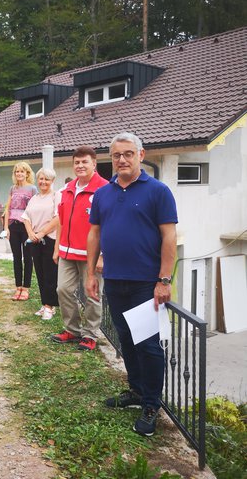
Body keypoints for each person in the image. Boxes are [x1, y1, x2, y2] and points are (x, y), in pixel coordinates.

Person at [86, 132, 177, 437]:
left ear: (141, 154)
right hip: (114, 280)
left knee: (148, 346)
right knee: (126, 339)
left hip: (145, 284)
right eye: (116, 155)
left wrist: (164, 280)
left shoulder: (158, 191)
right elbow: (95, 235)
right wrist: (90, 274)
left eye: (128, 154)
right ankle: (137, 392)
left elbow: (169, 237)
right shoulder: (103, 193)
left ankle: (151, 404)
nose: (122, 160)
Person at [51, 146, 108, 350]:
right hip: (67, 251)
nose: (80, 165)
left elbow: (108, 226)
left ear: (94, 163)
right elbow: (61, 222)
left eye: (85, 162)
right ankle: (72, 330)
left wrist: (102, 255)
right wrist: (57, 248)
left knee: (91, 293)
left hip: (91, 255)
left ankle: (90, 334)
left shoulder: (105, 189)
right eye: (77, 162)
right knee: (63, 289)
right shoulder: (66, 190)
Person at [21, 168, 60, 320]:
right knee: (40, 274)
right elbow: (26, 217)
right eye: (41, 179)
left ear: (52, 181)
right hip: (35, 240)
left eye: (47, 179)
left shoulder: (56, 196)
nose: (43, 182)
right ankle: (45, 304)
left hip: (49, 239)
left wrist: (41, 233)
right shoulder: (34, 198)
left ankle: (50, 306)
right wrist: (31, 233)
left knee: (50, 274)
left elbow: (58, 219)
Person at [3, 162, 37, 301]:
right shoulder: (12, 188)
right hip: (13, 225)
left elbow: (34, 209)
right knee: (16, 257)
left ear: (27, 173)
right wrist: (6, 228)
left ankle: (26, 288)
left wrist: (33, 229)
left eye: (22, 171)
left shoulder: (32, 189)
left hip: (26, 226)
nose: (19, 174)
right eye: (17, 171)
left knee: (28, 258)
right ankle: (18, 287)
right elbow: (7, 208)